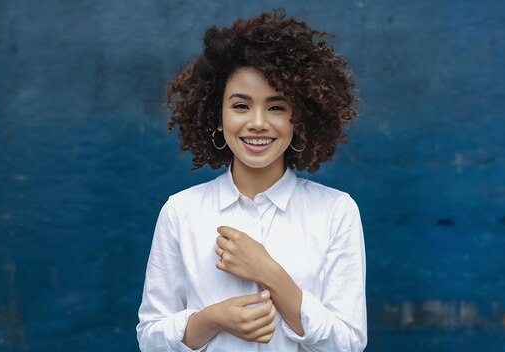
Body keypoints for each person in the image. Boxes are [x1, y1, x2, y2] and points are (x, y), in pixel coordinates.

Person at [137, 10, 367, 352]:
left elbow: (347, 344)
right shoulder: (180, 212)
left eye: (276, 108)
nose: (258, 123)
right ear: (217, 116)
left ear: (299, 119)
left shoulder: (336, 211)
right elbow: (151, 338)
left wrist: (270, 274)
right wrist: (211, 319)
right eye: (241, 106)